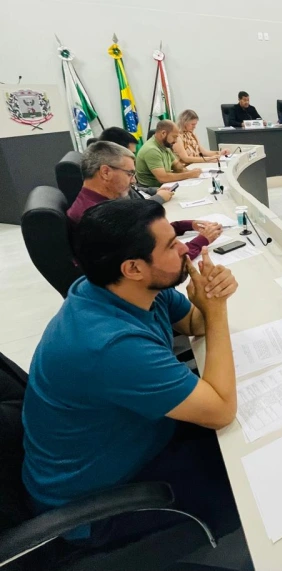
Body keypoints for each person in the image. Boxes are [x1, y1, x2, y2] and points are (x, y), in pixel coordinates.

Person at [23, 199, 241, 548]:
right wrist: (216, 310)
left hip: (135, 441)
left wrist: (211, 298)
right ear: (134, 268)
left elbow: (194, 324)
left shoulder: (120, 289)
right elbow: (221, 411)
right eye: (171, 245)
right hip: (100, 504)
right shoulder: (110, 346)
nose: (184, 249)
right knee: (255, 485)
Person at [69, 141, 221, 259]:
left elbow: (145, 235)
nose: (134, 180)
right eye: (129, 173)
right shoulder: (99, 217)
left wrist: (186, 225)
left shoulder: (96, 202)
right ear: (105, 172)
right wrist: (203, 240)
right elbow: (161, 262)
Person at [95, 127, 171, 205]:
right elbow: (134, 209)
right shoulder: (112, 184)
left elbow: (135, 189)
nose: (134, 158)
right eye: (131, 153)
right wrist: (159, 198)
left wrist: (155, 191)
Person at [135, 120, 202, 188]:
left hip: (165, 185)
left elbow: (177, 166)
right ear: (163, 133)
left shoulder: (165, 145)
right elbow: (163, 178)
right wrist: (189, 174)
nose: (176, 141)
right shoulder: (151, 150)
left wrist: (189, 171)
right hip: (152, 190)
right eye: (174, 137)